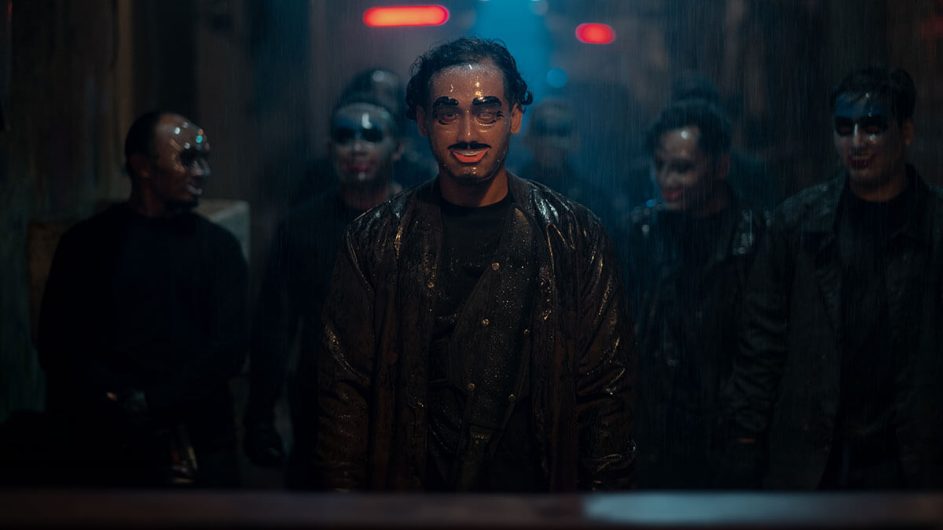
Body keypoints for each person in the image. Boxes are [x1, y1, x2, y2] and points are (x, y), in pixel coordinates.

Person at [309, 37, 635, 492]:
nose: (467, 133)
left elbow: (605, 390)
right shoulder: (376, 239)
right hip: (414, 502)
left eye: (487, 112)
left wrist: (602, 504)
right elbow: (345, 391)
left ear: (515, 117)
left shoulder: (573, 235)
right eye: (448, 113)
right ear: (422, 121)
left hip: (536, 501)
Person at [724, 67, 943, 489]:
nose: (856, 142)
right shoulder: (798, 224)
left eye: (873, 127)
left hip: (911, 459)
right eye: (844, 128)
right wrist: (745, 441)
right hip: (817, 457)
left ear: (906, 132)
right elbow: (762, 341)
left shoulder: (933, 226)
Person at [36, 111, 248, 487]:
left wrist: (153, 400)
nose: (202, 172)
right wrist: (118, 399)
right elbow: (59, 343)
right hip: (106, 448)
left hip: (197, 443)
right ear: (143, 167)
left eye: (204, 160)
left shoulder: (219, 249)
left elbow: (228, 349)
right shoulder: (87, 245)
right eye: (187, 159)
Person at [243, 93, 405, 486]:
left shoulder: (419, 224)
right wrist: (260, 414)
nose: (357, 148)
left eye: (371, 136)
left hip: (403, 398)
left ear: (397, 148)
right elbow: (275, 324)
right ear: (331, 149)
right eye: (346, 137)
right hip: (321, 396)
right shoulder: (301, 226)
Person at [618, 99, 764, 489]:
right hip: (656, 430)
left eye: (682, 167)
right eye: (659, 165)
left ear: (720, 167)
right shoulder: (641, 233)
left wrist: (746, 431)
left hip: (728, 434)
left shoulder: (756, 238)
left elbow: (763, 349)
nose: (666, 179)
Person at [516, 99, 618, 228]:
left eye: (561, 131)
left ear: (574, 140)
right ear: (529, 137)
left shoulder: (592, 196)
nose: (551, 140)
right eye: (543, 130)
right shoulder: (511, 188)